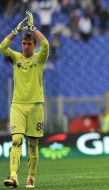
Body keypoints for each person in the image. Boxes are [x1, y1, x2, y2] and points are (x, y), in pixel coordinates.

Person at [0, 11, 49, 188]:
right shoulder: (15, 57)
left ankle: (31, 177)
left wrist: (32, 28)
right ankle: (13, 176)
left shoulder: (39, 59)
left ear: (33, 46)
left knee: (33, 146)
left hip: (36, 106)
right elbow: (2, 48)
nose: (26, 46)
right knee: (16, 140)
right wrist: (16, 30)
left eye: (29, 43)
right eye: (24, 42)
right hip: (18, 106)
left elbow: (46, 44)